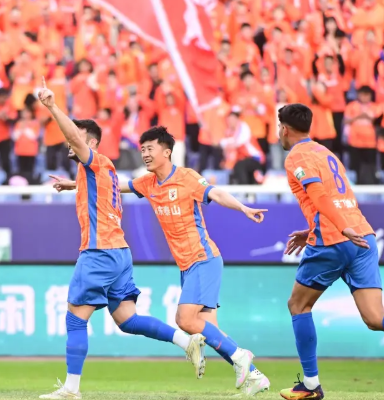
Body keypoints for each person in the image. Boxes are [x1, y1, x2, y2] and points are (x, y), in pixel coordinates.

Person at [52, 126, 271, 396]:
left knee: (185, 320)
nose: (145, 154)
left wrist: (243, 207)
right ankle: (254, 375)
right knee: (210, 330)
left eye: (150, 148)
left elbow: (215, 193)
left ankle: (240, 355)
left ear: (167, 152)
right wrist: (74, 184)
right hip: (187, 266)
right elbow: (112, 185)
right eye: (142, 149)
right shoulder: (148, 183)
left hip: (203, 258)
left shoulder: (186, 177)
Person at [37, 79, 205, 400]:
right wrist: (73, 185)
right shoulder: (101, 170)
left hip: (99, 251)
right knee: (128, 319)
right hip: (120, 252)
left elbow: (74, 137)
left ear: (91, 143)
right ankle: (187, 342)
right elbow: (98, 190)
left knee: (75, 317)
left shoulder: (95, 160)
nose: (70, 143)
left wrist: (51, 106)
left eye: (77, 138)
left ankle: (71, 389)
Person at [276, 103, 384, 400]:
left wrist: (339, 227)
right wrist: (320, 228)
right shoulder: (326, 153)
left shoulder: (297, 156)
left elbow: (318, 195)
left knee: (298, 305)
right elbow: (339, 197)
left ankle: (311, 385)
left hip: (335, 238)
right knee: (374, 316)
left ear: (284, 129)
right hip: (363, 237)